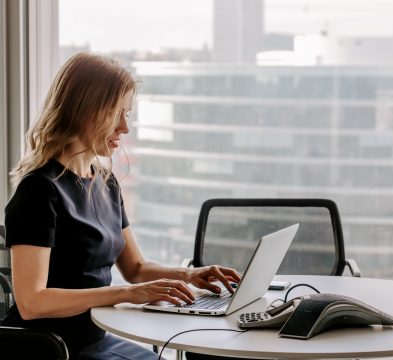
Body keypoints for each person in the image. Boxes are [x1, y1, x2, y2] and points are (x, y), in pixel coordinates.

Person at [1, 52, 241, 359]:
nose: (125, 127)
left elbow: (135, 268)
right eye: (117, 113)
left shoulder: (105, 182)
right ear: (84, 111)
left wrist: (189, 275)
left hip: (94, 340)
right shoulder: (38, 191)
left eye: (127, 114)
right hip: (49, 348)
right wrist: (127, 294)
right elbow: (32, 302)